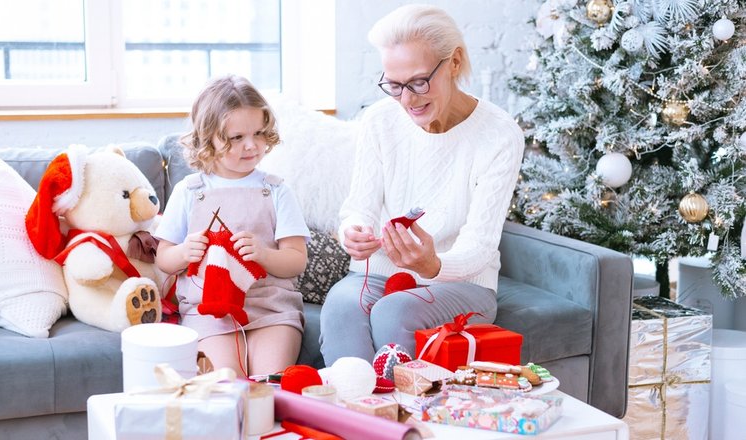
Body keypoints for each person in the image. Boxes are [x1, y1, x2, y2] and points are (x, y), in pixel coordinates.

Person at [319, 4, 525, 366]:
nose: (407, 100)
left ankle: (410, 420)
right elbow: (358, 207)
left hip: (464, 283)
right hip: (382, 274)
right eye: (395, 85)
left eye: (418, 82)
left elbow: (479, 245)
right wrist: (352, 232)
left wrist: (432, 266)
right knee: (340, 307)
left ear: (455, 63)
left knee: (394, 313)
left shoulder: (499, 134)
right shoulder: (379, 121)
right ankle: (360, 416)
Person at [155, 75, 310, 377]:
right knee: (225, 382)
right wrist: (186, 252)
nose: (251, 145)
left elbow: (296, 260)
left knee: (270, 384)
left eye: (259, 133)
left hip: (271, 309)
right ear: (208, 138)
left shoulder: (277, 190)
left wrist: (264, 254)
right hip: (209, 311)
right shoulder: (189, 191)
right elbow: (164, 258)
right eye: (237, 138)